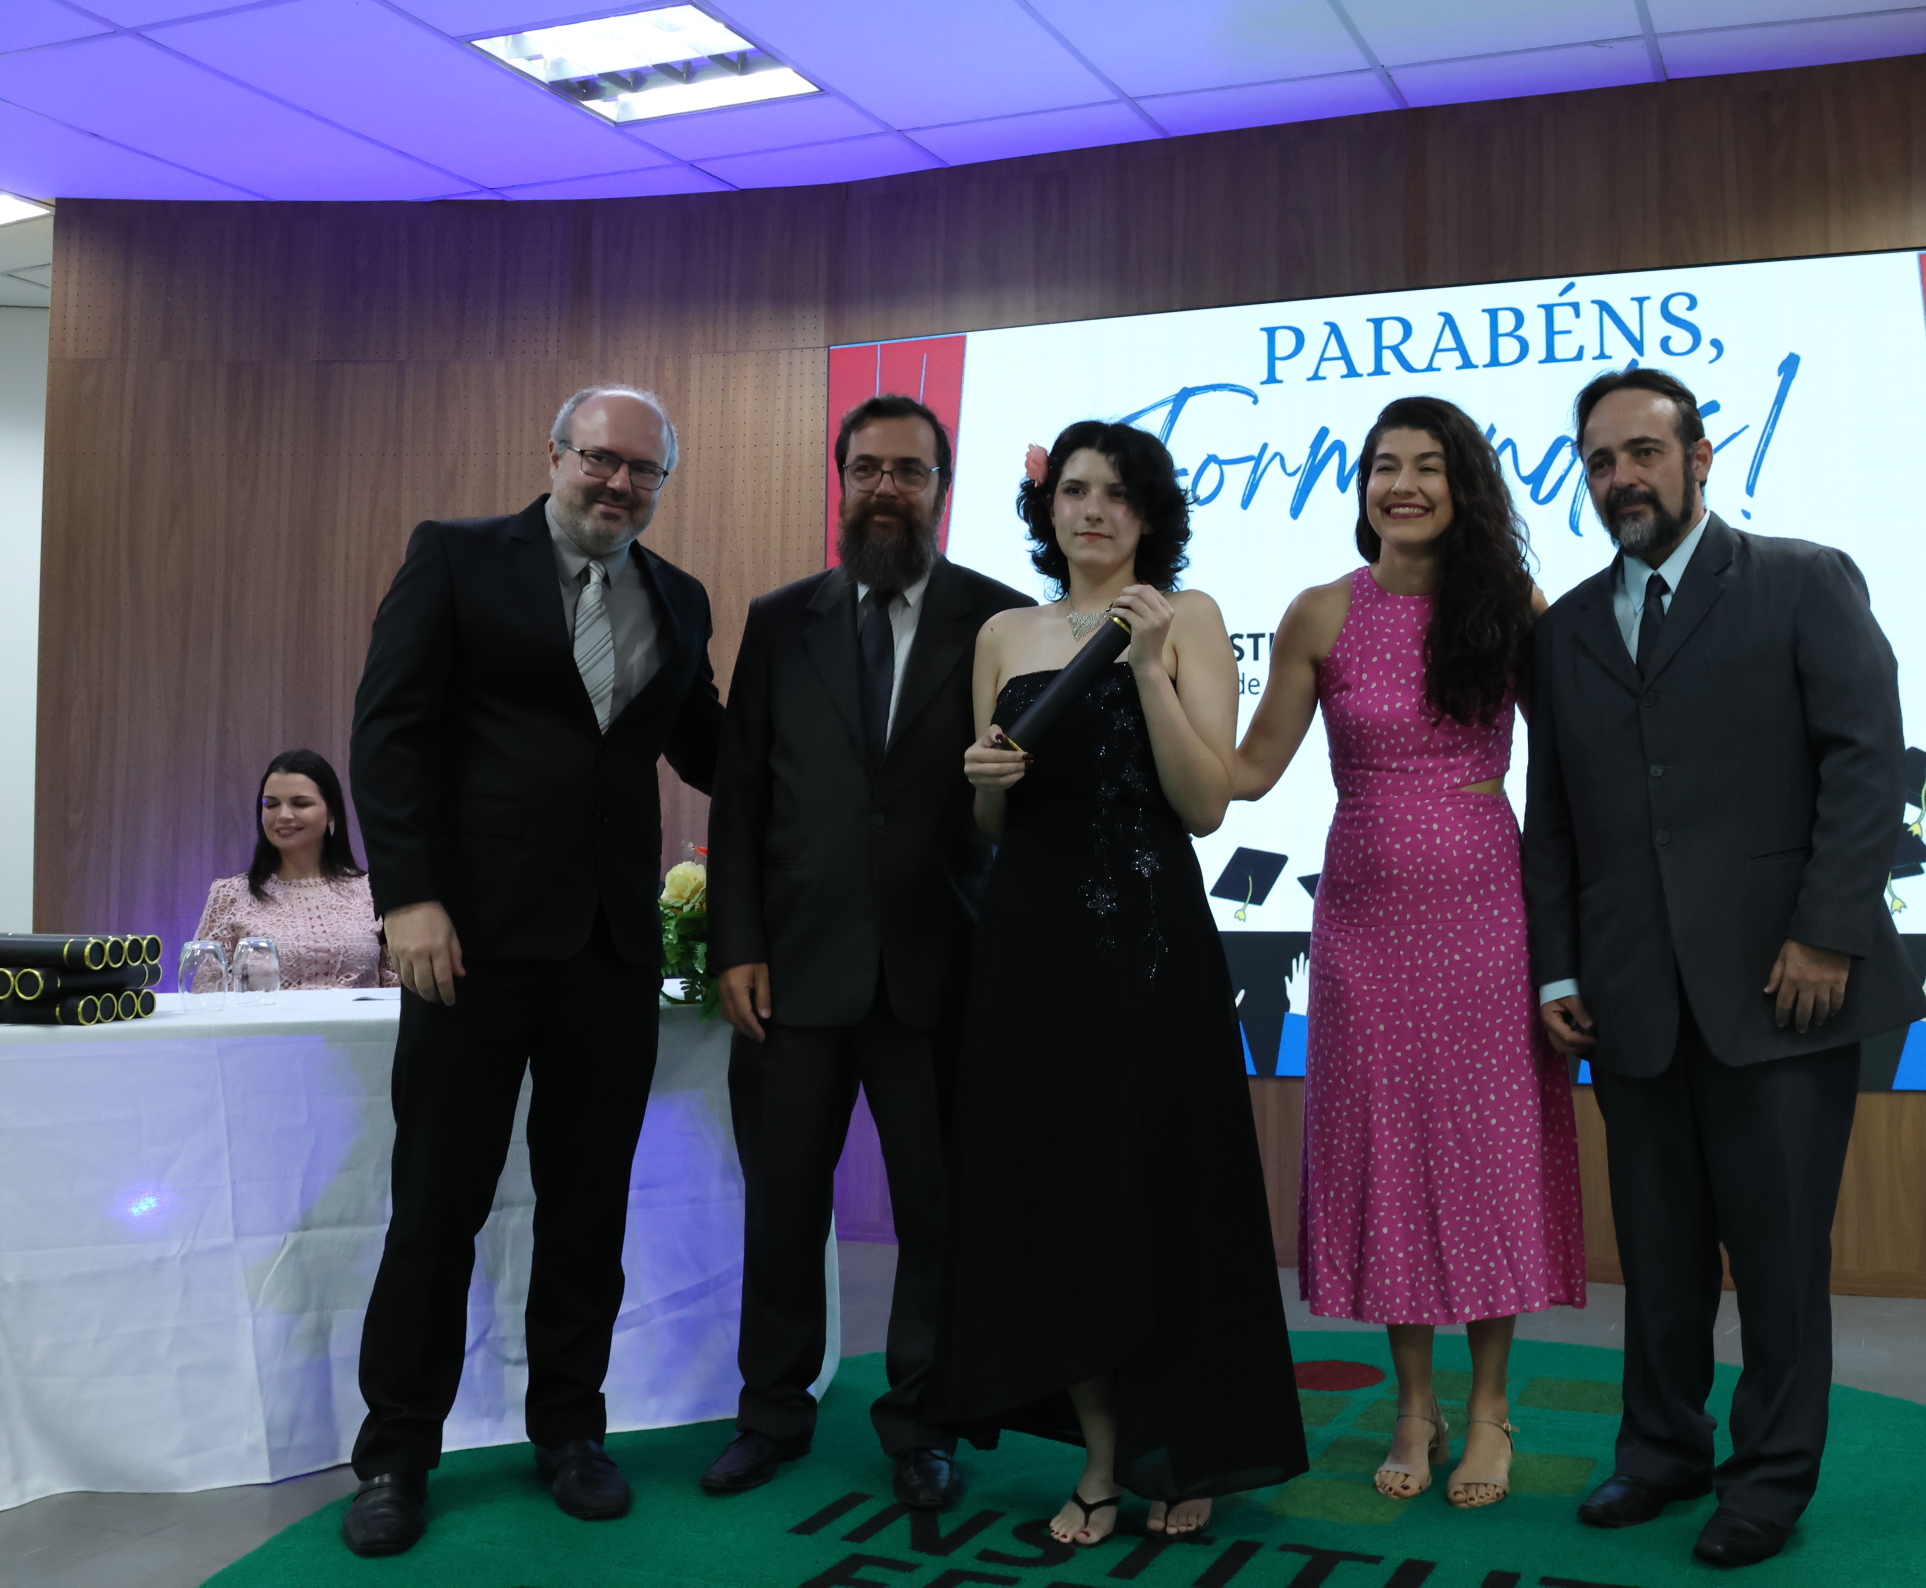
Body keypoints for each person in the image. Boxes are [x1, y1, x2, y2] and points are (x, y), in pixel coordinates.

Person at [1525, 367, 1919, 1568]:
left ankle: (1769, 1481)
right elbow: (1556, 817)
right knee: (1658, 1256)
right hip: (1630, 1000)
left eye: (1644, 452)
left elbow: (1866, 760)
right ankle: (1660, 1453)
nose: (1622, 478)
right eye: (1600, 461)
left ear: (1701, 458)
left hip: (1784, 987)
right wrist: (1557, 971)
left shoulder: (1803, 579)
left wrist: (1829, 930)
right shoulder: (1566, 631)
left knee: (1781, 1257)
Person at [341, 384, 723, 1557]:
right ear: (555, 454)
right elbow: (388, 733)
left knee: (588, 1212)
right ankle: (396, 1454)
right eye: (600, 459)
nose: (619, 484)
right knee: (436, 1209)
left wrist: (842, 742)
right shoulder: (455, 559)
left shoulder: (680, 598)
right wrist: (407, 897)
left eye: (643, 470)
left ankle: (570, 1431)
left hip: (610, 954)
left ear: (661, 484)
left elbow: (712, 747)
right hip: (468, 946)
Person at [934, 420, 1307, 1544]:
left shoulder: (1186, 618)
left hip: (1151, 951)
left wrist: (1145, 663)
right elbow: (993, 821)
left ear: (1149, 516)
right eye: (1074, 490)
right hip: (1029, 950)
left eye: (1117, 494)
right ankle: (1100, 1460)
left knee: (1164, 1191)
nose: (1092, 510)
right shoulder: (1001, 632)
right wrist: (984, 777)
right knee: (1060, 1199)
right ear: (1047, 508)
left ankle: (1186, 1442)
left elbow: (1205, 803)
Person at [1229, 395, 1583, 1509]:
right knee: (1387, 1149)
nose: (1404, 485)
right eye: (1385, 465)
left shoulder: (1513, 607)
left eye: (1429, 465)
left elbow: (1574, 771)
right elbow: (1247, 773)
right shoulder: (1321, 612)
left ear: (1462, 485)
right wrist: (1148, 683)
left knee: (1485, 1150)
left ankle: (1489, 1410)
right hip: (1363, 925)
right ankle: (1413, 1407)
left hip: (1487, 914)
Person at [705, 394, 1031, 1508]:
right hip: (791, 975)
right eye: (868, 469)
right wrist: (737, 944)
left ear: (944, 488)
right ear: (840, 481)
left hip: (944, 972)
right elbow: (742, 797)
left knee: (937, 1217)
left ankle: (923, 1424)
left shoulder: (999, 618)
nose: (887, 487)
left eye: (911, 470)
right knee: (782, 1209)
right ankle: (770, 1414)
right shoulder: (779, 619)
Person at [194, 748, 396, 989]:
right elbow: (207, 992)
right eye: (271, 804)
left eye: (300, 804)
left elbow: (397, 989)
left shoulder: (374, 892)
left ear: (331, 812)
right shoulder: (230, 896)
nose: (284, 815)